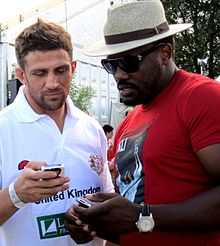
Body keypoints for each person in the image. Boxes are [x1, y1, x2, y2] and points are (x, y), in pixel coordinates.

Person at [64, 0, 220, 245]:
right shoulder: (129, 122)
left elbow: (142, 217)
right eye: (111, 64)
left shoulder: (201, 97)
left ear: (164, 53)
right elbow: (135, 214)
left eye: (128, 62)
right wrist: (94, 221)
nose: (118, 74)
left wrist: (142, 216)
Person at [0, 18, 113, 246]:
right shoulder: (4, 129)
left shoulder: (91, 128)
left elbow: (107, 198)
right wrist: (16, 195)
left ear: (73, 68)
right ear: (21, 75)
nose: (52, 83)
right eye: (40, 73)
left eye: (60, 70)